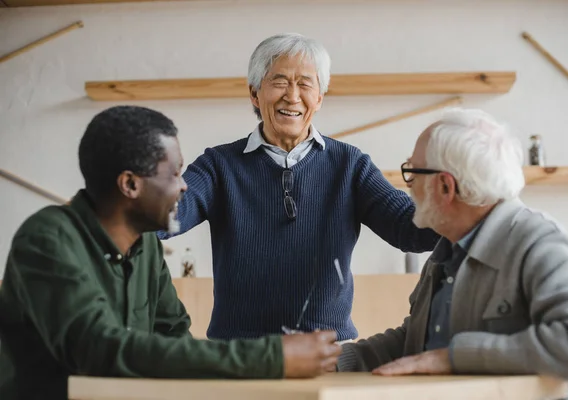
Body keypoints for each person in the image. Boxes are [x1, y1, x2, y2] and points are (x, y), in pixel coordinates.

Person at [0, 106, 341, 400]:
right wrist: (270, 357)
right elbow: (99, 349)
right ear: (130, 184)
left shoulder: (146, 242)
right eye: (174, 173)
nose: (183, 186)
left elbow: (174, 335)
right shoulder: (47, 240)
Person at [157, 32, 439, 341]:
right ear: (254, 94)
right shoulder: (219, 165)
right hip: (238, 353)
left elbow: (409, 227)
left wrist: (462, 202)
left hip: (328, 350)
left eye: (305, 83)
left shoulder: (350, 165)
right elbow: (166, 214)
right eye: (279, 82)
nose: (292, 96)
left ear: (319, 97)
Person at [336, 108, 568, 393]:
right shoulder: (446, 249)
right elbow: (416, 342)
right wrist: (337, 360)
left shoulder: (541, 244)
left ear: (445, 186)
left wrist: (453, 358)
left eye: (412, 172)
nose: (408, 186)